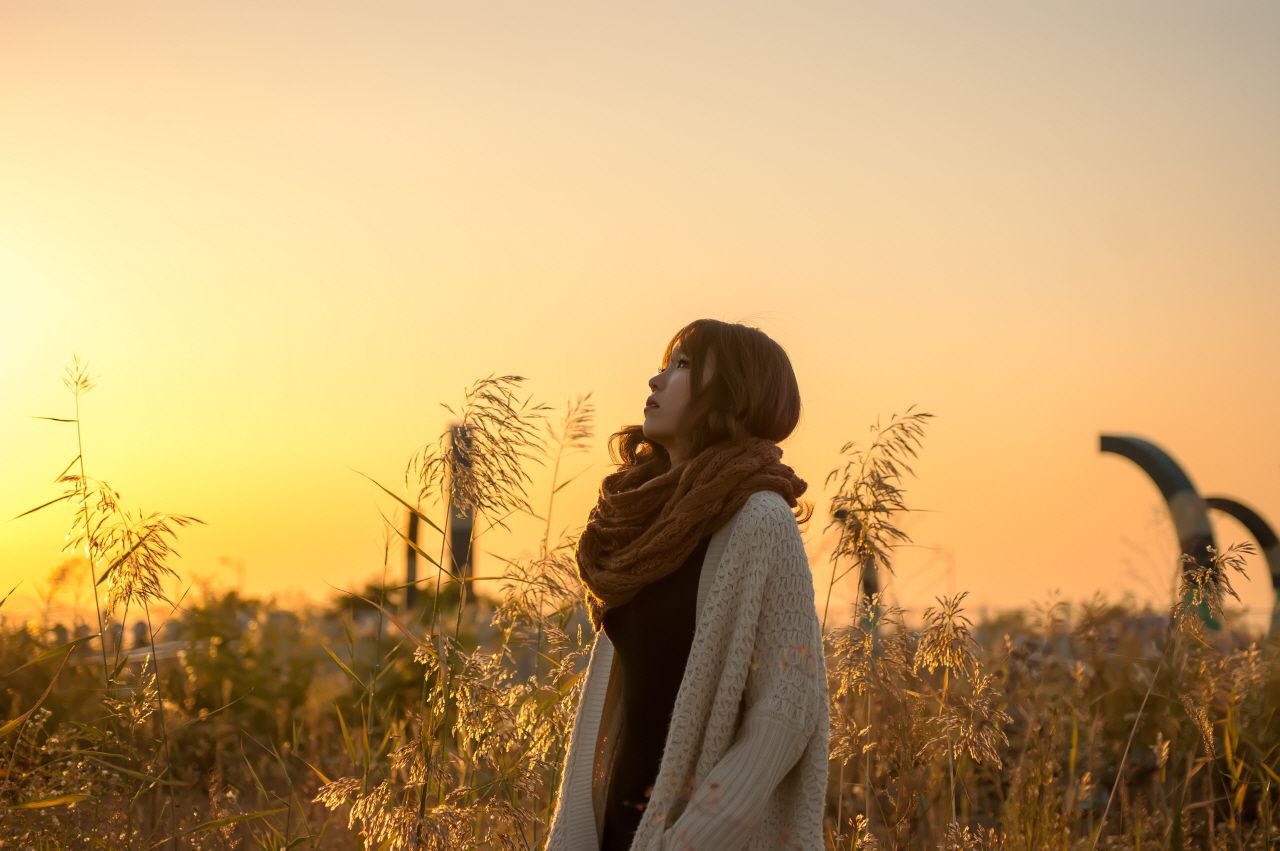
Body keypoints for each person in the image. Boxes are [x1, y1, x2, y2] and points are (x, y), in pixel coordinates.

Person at [545, 319, 830, 851]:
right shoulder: (646, 523)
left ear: (735, 394)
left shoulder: (761, 520)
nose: (656, 380)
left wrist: (686, 840)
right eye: (663, 364)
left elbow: (787, 709)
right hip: (618, 826)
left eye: (682, 367)